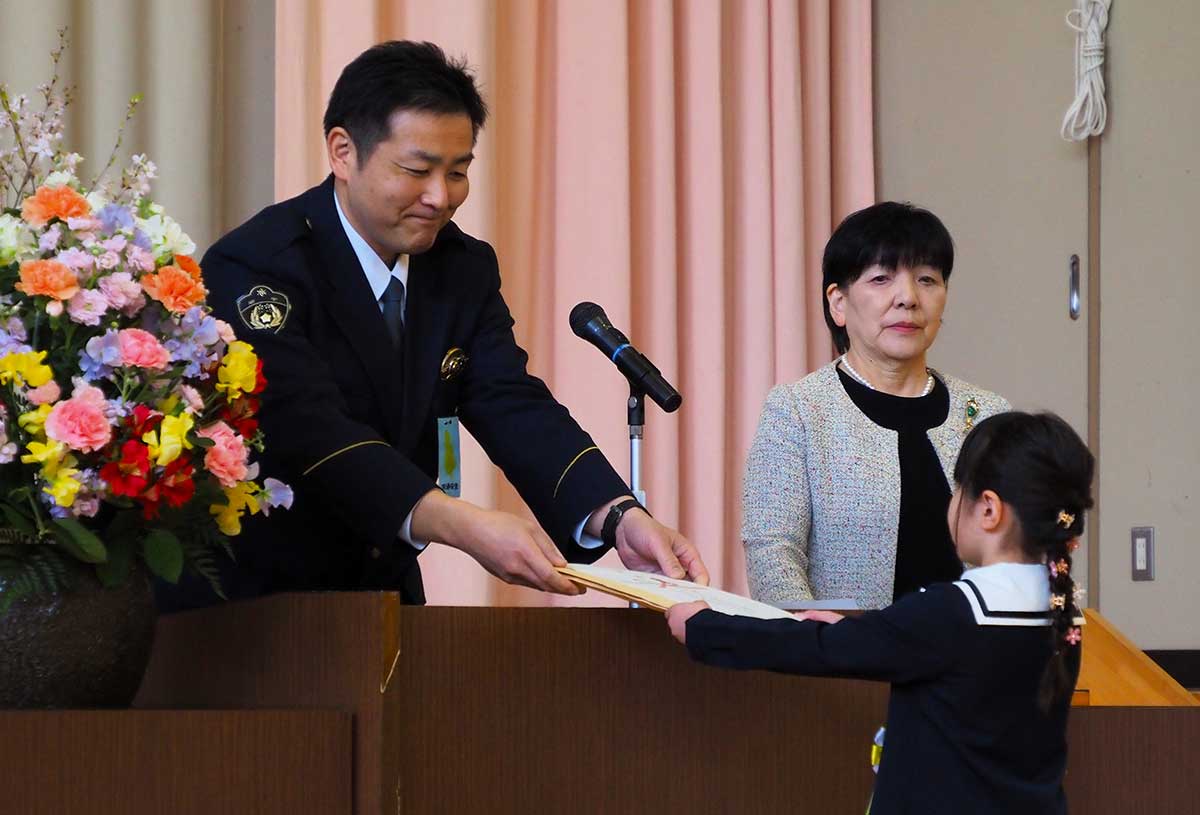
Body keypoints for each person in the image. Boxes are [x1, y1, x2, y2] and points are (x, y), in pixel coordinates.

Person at [169, 41, 707, 607]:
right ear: (343, 151)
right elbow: (309, 429)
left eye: (457, 172)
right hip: (252, 602)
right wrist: (461, 524)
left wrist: (617, 515)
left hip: (381, 597)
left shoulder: (461, 268)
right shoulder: (258, 265)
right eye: (417, 170)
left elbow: (510, 402)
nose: (439, 197)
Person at [669, 411, 1093, 815]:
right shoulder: (1064, 616)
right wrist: (865, 634)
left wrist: (703, 626)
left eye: (957, 490)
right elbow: (923, 654)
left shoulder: (952, 613)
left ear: (988, 509)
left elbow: (819, 649)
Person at [743, 202, 1010, 610]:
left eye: (927, 279)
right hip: (847, 662)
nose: (908, 298)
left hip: (969, 661)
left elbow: (1016, 549)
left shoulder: (986, 413)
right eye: (882, 279)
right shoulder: (798, 410)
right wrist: (817, 641)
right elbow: (772, 550)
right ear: (838, 302)